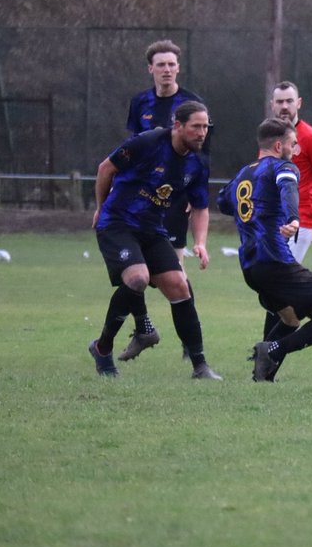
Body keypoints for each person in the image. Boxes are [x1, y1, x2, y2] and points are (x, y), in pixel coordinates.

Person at [89, 101, 221, 380]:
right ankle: (103, 348)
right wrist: (101, 208)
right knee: (137, 278)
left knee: (180, 285)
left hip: (152, 228)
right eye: (196, 126)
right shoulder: (149, 142)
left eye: (205, 127)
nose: (202, 133)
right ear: (178, 126)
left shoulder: (198, 163)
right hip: (118, 223)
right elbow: (105, 169)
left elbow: (200, 207)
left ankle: (200, 366)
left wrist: (200, 242)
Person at [217, 118, 312, 382]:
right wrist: (293, 217)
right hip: (276, 262)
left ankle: (263, 376)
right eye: (293, 144)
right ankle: (271, 349)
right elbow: (288, 185)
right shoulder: (283, 166)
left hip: (251, 267)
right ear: (279, 145)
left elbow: (223, 202)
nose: (296, 148)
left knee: (290, 319)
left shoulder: (243, 173)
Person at [116, 39, 205, 362]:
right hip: (138, 202)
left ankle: (189, 342)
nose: (167, 69)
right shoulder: (140, 102)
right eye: (161, 64)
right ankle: (144, 327)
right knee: (133, 268)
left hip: (173, 201)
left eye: (172, 64)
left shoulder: (192, 102)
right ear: (150, 69)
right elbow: (131, 149)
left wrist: (192, 196)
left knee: (174, 271)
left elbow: (201, 152)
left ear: (178, 68)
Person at [269, 81, 312, 263]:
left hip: (301, 218)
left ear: (298, 103)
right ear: (272, 104)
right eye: (280, 102)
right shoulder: (268, 136)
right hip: (275, 217)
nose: (284, 106)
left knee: (283, 275)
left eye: (289, 101)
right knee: (274, 275)